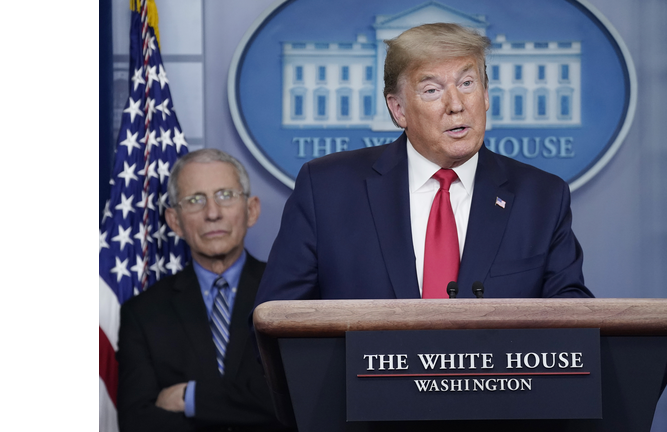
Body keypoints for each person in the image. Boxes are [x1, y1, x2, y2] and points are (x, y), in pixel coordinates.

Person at [255, 23, 593, 306]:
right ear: (398, 109)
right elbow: (275, 321)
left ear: (486, 94)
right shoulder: (327, 189)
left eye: (467, 83)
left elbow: (573, 322)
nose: (456, 104)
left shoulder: (542, 197)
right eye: (432, 90)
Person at [117, 149, 291, 432]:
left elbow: (290, 402)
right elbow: (137, 421)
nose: (212, 213)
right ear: (175, 221)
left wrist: (190, 397)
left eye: (225, 195)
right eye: (195, 200)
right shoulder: (142, 313)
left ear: (251, 210)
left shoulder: (289, 298)